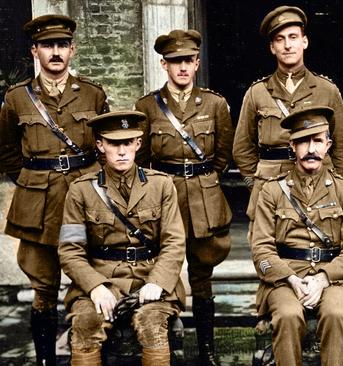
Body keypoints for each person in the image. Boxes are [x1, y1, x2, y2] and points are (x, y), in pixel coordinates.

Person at [0, 14, 109, 365]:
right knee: (43, 289)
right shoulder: (17, 99)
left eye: (62, 45)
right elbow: (6, 151)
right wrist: (32, 181)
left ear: (73, 50)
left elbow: (103, 145)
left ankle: (92, 354)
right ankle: (46, 359)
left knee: (93, 278)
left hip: (83, 198)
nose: (55, 52)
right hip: (38, 207)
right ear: (35, 51)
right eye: (48, 46)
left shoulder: (92, 93)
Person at [135, 29, 233, 365]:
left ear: (196, 63)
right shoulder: (147, 106)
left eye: (188, 61)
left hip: (204, 201)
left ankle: (207, 350)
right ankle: (166, 345)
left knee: (203, 278)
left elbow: (222, 156)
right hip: (165, 199)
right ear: (164, 64)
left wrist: (203, 182)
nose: (182, 68)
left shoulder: (215, 104)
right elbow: (142, 159)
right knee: (165, 273)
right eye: (175, 61)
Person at [58, 111, 186, 365]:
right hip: (102, 279)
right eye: (114, 143)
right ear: (100, 144)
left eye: (128, 143)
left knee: (151, 324)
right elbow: (70, 250)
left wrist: (157, 282)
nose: (121, 151)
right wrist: (95, 286)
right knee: (85, 324)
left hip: (149, 279)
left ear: (138, 144)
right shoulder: (81, 189)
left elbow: (174, 241)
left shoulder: (161, 185)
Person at [250, 106, 343, 366]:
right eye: (303, 141)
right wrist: (291, 278)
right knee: (288, 315)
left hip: (334, 278)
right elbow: (261, 248)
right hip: (285, 277)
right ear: (292, 146)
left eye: (317, 141)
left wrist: (323, 279)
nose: (310, 149)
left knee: (336, 314)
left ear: (328, 145)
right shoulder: (272, 191)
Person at [233, 5, 343, 226]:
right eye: (280, 39)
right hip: (270, 185)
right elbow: (241, 147)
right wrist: (257, 181)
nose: (287, 45)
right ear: (272, 47)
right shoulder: (257, 92)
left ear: (304, 42)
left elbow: (342, 144)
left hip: (317, 183)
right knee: (268, 249)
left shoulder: (326, 90)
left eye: (293, 37)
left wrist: (331, 178)